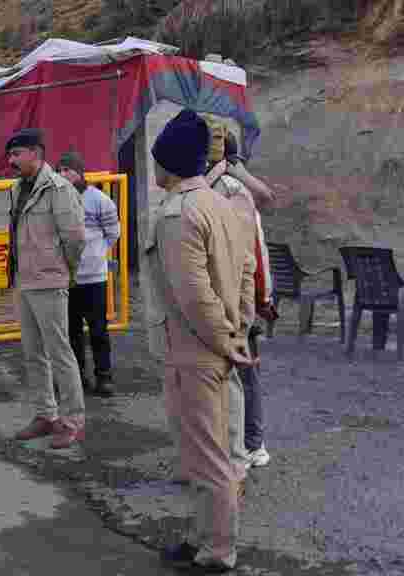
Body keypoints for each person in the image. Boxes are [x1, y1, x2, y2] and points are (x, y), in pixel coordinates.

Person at [150, 109, 256, 573]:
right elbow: (247, 271)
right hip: (218, 342)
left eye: (157, 159)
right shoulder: (221, 204)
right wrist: (239, 330)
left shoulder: (179, 213)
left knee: (207, 456)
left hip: (195, 349)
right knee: (212, 450)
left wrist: (224, 340)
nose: (154, 167)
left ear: (169, 163)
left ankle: (216, 551)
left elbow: (194, 295)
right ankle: (204, 538)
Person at [5, 128, 88, 450]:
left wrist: (63, 271)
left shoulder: (59, 189)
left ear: (35, 153)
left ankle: (72, 421)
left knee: (59, 353)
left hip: (49, 281)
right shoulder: (17, 188)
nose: (11, 161)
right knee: (33, 354)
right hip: (24, 281)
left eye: (16, 154)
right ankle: (46, 414)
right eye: (10, 155)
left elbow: (75, 238)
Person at [208, 129, 277, 469]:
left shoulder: (232, 191)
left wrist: (261, 301)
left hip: (240, 301)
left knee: (244, 374)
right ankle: (242, 442)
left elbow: (253, 255)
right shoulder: (222, 189)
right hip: (236, 299)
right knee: (238, 374)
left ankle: (252, 443)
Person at [57, 150, 120, 397]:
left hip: (94, 278)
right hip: (68, 278)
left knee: (98, 330)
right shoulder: (57, 200)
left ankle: (104, 376)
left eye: (67, 170)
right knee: (71, 331)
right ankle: (78, 378)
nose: (63, 174)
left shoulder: (99, 200)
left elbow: (113, 233)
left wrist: (95, 255)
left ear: (79, 172)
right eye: (59, 170)